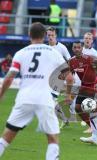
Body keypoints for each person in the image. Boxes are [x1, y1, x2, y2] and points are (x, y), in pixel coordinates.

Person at [0, 22, 66, 159]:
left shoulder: (20, 53)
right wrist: (68, 94)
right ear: (44, 36)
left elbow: (9, 77)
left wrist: (1, 94)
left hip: (24, 99)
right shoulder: (53, 52)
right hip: (45, 99)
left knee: (6, 137)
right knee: (53, 139)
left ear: (29, 35)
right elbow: (69, 76)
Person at [65, 41, 97, 145]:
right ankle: (94, 129)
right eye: (75, 47)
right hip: (84, 86)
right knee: (77, 108)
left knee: (91, 109)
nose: (77, 49)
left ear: (82, 48)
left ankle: (95, 135)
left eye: (79, 47)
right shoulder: (71, 61)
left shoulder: (89, 58)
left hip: (93, 85)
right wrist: (68, 94)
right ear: (72, 49)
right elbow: (70, 78)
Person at [46, 26, 71, 129]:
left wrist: (66, 74)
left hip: (58, 78)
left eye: (52, 35)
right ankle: (65, 118)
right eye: (49, 35)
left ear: (55, 35)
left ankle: (53, 123)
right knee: (50, 100)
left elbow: (70, 61)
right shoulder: (46, 48)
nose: (50, 37)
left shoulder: (61, 47)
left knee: (52, 98)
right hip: (48, 79)